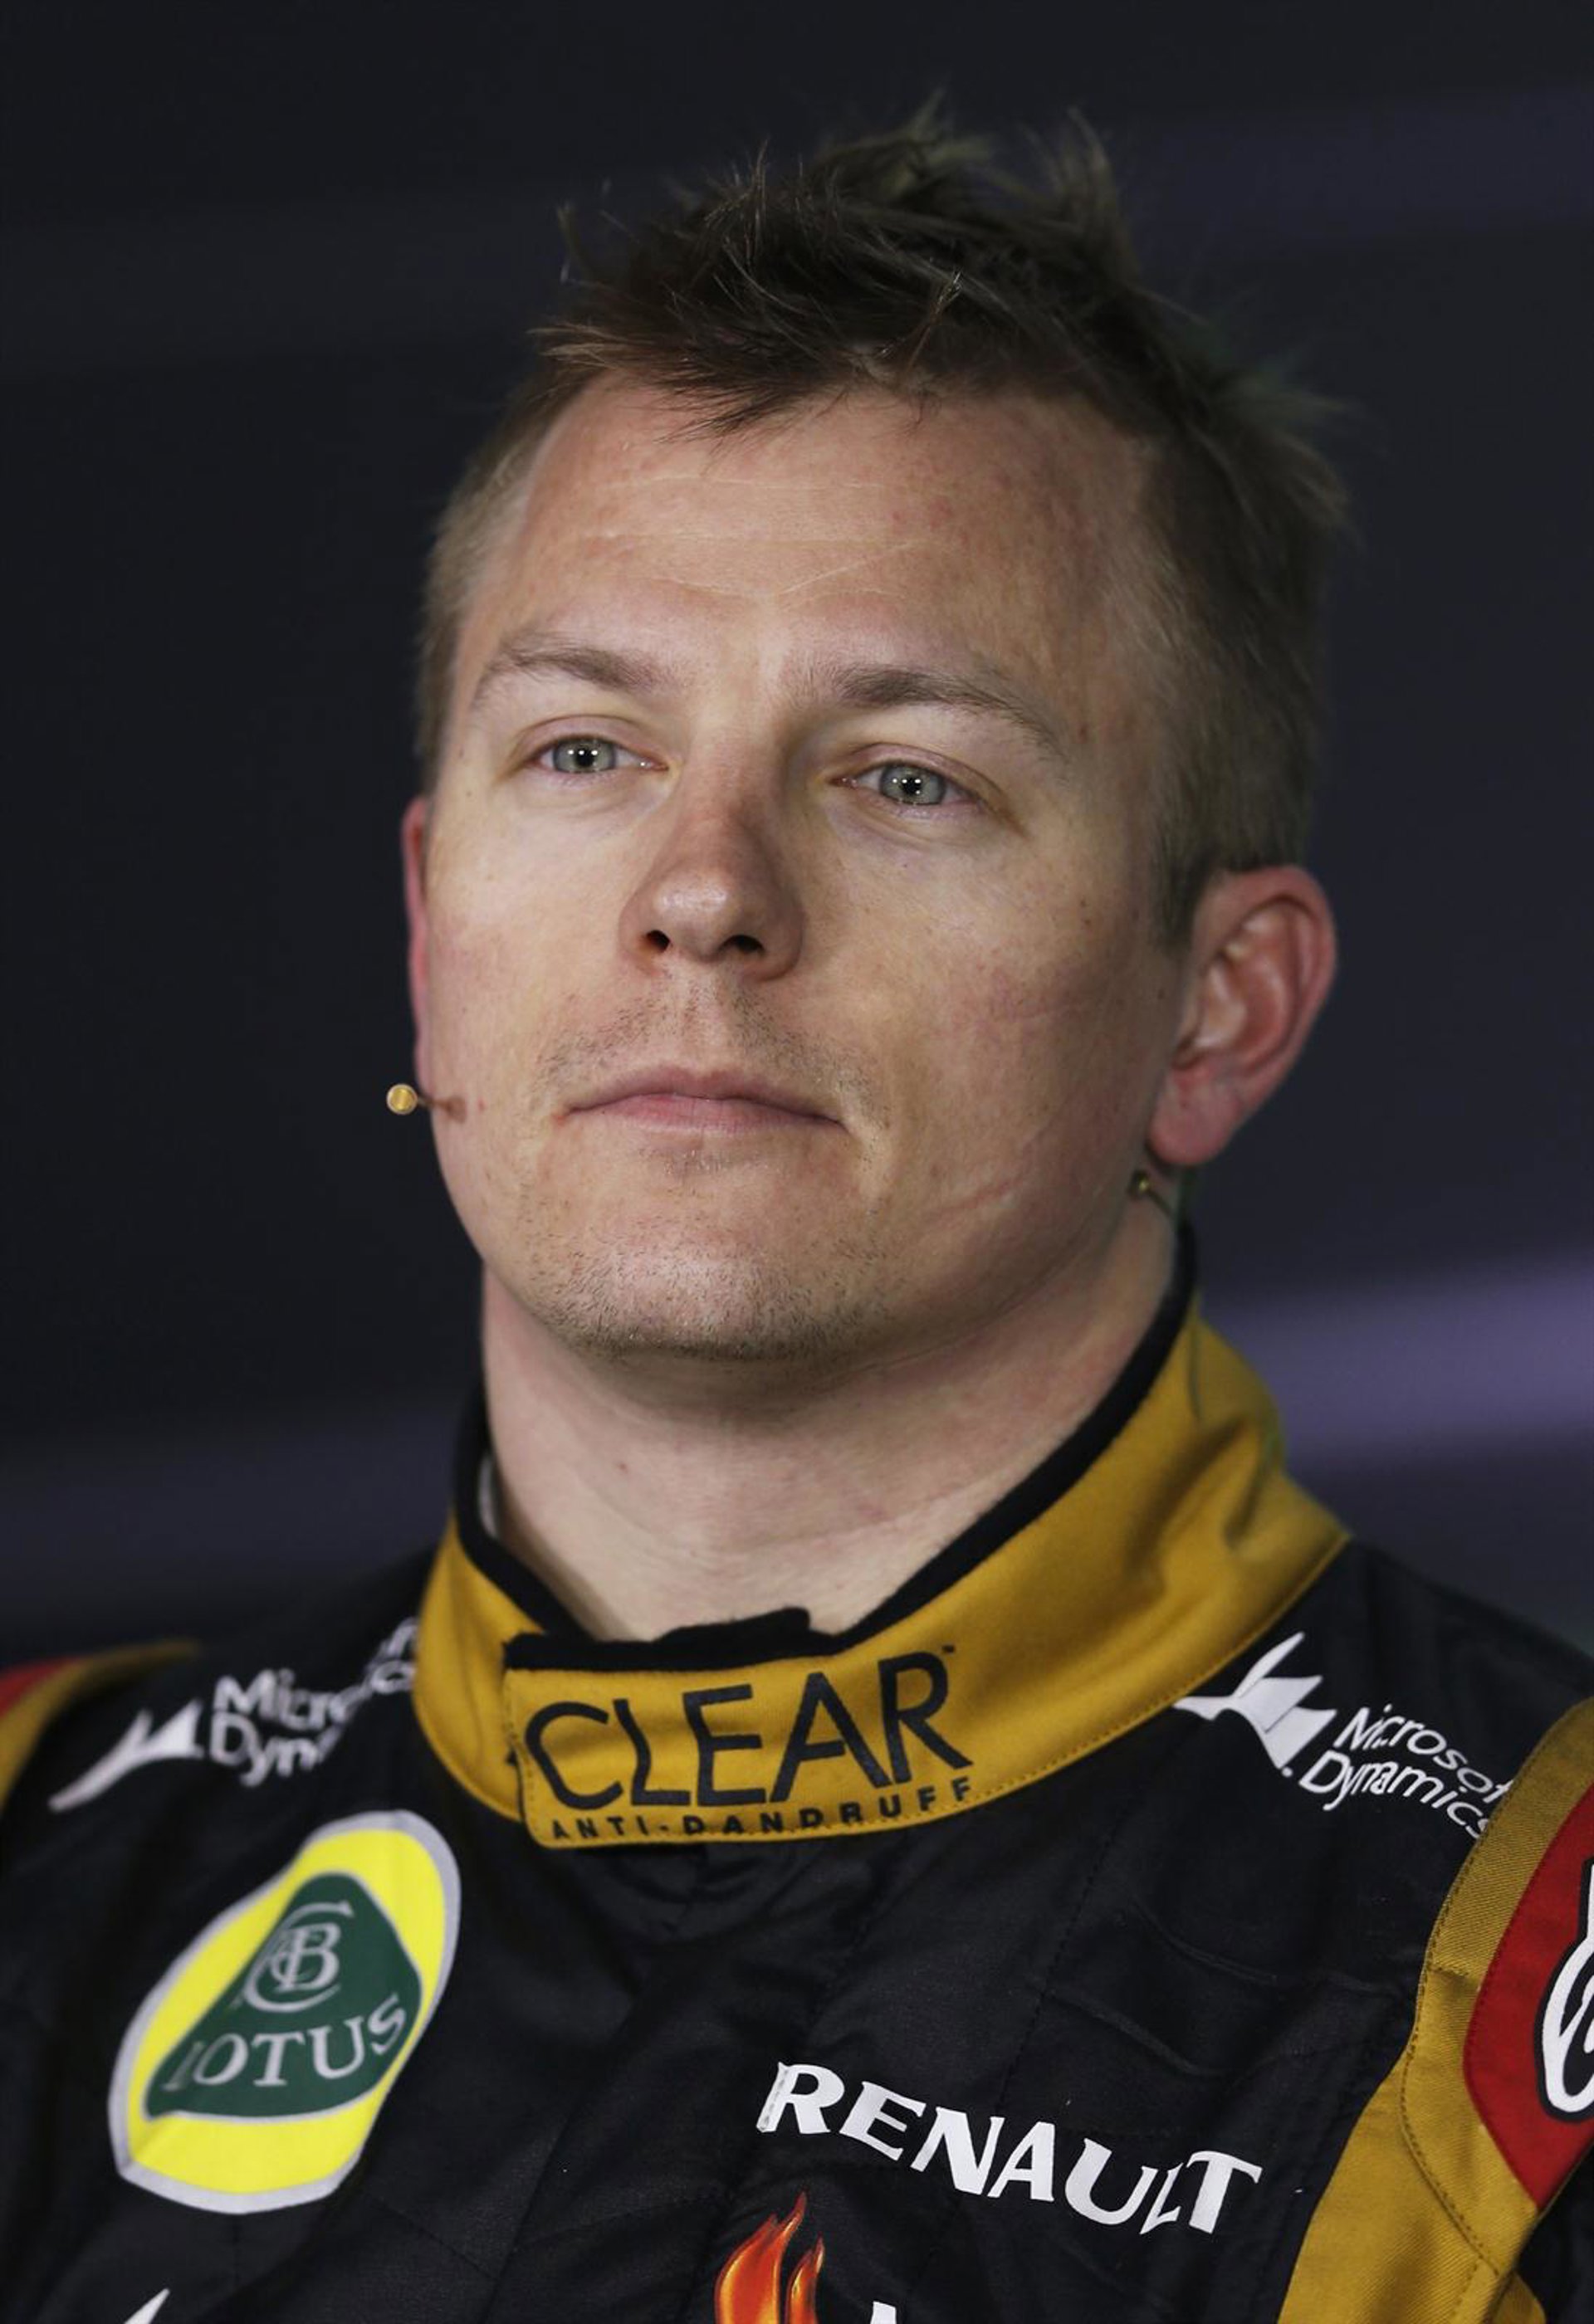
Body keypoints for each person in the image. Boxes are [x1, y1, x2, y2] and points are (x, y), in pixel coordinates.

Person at [2, 96, 1588, 2324]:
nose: (705, 893)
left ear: (1218, 1010)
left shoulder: (1518, 2002)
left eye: (907, 777)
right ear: (428, 920)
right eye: (586, 749)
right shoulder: (42, 1852)